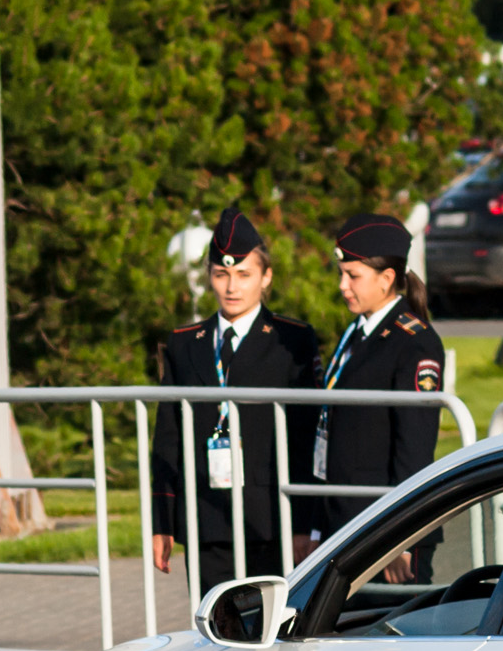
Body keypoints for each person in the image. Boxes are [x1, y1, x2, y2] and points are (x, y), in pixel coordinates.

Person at [151, 207, 321, 595]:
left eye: (244, 274)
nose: (232, 286)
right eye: (221, 274)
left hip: (270, 519)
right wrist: (163, 520)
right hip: (206, 516)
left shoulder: (291, 340)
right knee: (214, 629)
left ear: (266, 278)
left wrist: (302, 524)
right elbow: (167, 437)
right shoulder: (185, 343)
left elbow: (305, 437)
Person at [304, 213, 447, 580]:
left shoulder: (414, 342)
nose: (342, 285)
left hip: (385, 532)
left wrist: (403, 538)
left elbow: (413, 450)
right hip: (347, 524)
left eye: (353, 276)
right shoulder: (357, 332)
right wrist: (317, 527)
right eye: (341, 274)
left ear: (386, 279)